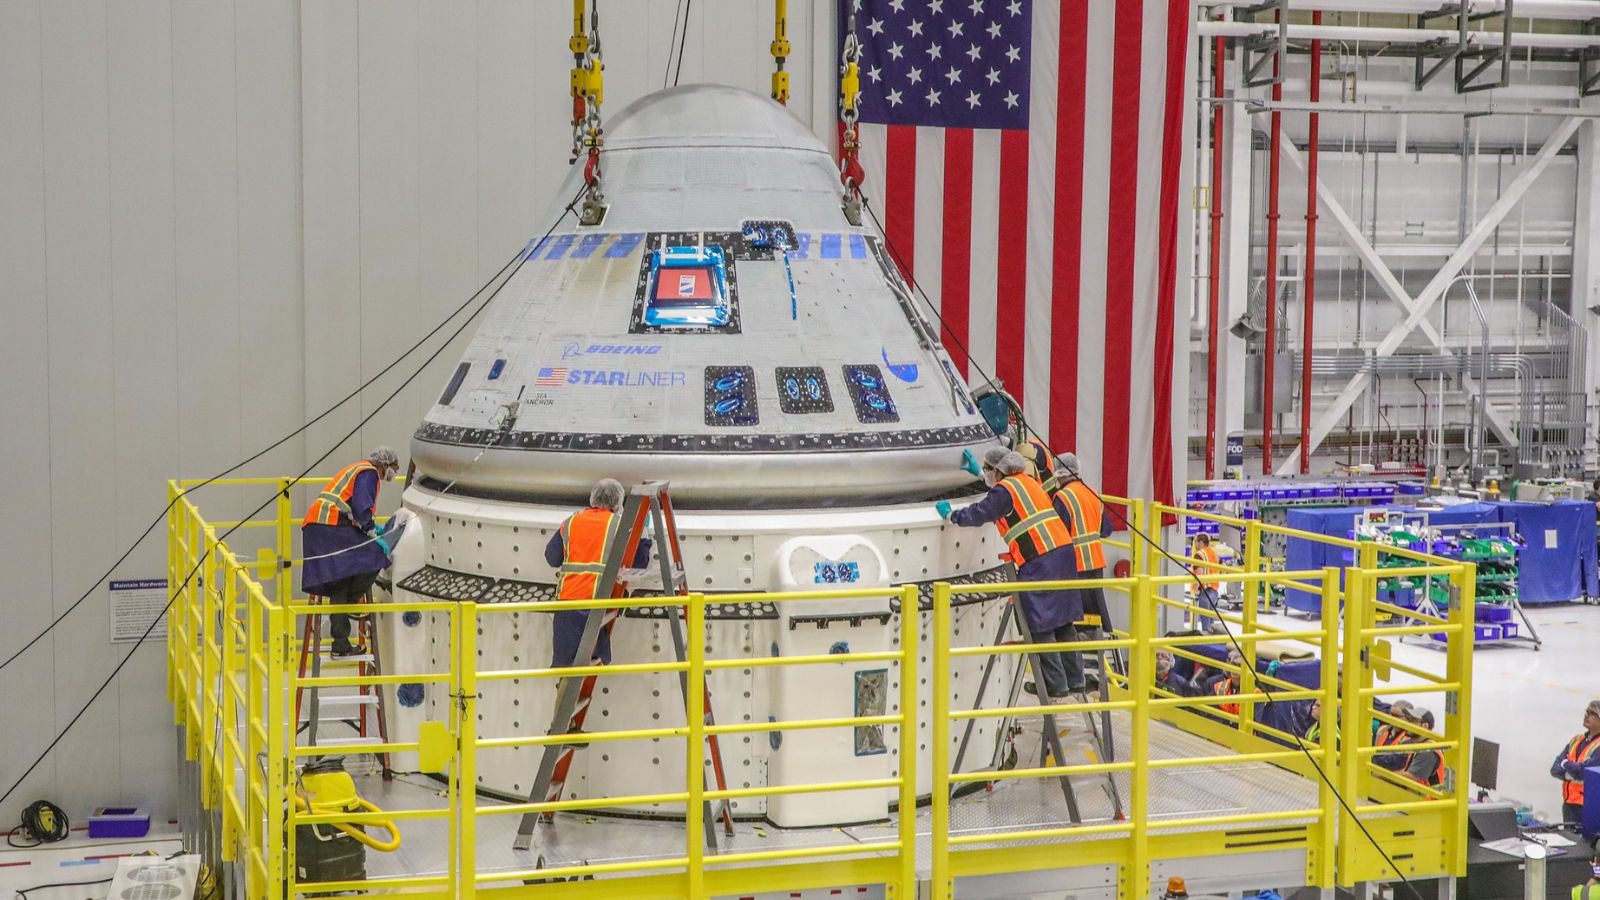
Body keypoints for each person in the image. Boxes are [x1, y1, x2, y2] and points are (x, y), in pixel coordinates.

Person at [937, 449, 1091, 698]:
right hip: (1062, 553)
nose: (986, 473)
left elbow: (982, 511)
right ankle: (1076, 681)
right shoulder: (1027, 481)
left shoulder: (1004, 490)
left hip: (1040, 558)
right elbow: (1005, 498)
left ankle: (1055, 685)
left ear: (998, 470)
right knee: (1063, 622)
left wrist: (952, 516)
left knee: (1040, 623)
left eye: (987, 469)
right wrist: (980, 476)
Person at [301, 447, 402, 656]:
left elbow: (352, 511)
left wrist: (371, 528)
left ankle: (341, 643)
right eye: (394, 466)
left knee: (341, 580)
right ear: (384, 464)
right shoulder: (369, 473)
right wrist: (372, 531)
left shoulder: (359, 469)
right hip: (328, 525)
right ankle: (348, 604)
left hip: (320, 526)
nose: (395, 471)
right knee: (376, 556)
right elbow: (361, 508)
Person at [543, 478, 651, 669]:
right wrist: (643, 532)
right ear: (618, 503)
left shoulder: (571, 522)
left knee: (567, 669)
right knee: (594, 660)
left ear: (592, 498)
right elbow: (639, 561)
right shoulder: (618, 525)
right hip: (596, 604)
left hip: (567, 603)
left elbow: (552, 557)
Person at [1045, 452, 1115, 631]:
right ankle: (1103, 638)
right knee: (1096, 610)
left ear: (1059, 474)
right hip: (1096, 562)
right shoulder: (1092, 493)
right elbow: (1106, 529)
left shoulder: (1062, 497)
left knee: (1076, 616)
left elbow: (1057, 535)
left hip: (1075, 564)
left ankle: (1079, 645)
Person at [1552, 700, 1600, 826]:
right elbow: (1554, 769)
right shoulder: (1576, 740)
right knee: (1568, 836)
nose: (1586, 715)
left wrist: (1565, 763)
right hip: (1569, 804)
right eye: (1587, 711)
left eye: (1592, 713)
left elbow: (1582, 772)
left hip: (1589, 806)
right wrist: (1572, 770)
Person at [1189, 534, 1225, 633]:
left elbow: (1199, 573)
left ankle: (1207, 640)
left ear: (1201, 542)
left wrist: (1196, 590)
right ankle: (1212, 639)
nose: (1194, 544)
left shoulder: (1199, 555)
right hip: (1214, 590)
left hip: (1204, 591)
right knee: (1210, 619)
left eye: (1195, 541)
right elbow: (1223, 566)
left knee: (1205, 621)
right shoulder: (1213, 552)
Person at [1210, 649, 1245, 717]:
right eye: (1234, 664)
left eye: (1239, 666)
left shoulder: (1255, 693)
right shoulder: (1218, 686)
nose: (1235, 669)